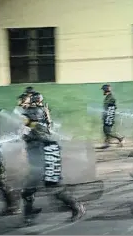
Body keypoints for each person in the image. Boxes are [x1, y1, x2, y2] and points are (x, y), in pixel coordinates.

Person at [20, 94, 85, 225]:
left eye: (27, 119)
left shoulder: (38, 130)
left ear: (33, 118)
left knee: (55, 189)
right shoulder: (36, 128)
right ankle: (29, 215)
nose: (24, 120)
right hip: (37, 165)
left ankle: (77, 207)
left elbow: (40, 140)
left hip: (45, 163)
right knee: (28, 191)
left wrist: (27, 136)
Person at [100, 84, 124, 149]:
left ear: (106, 90)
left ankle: (119, 138)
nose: (103, 91)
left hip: (109, 117)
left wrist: (108, 117)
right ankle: (107, 143)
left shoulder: (111, 98)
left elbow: (111, 108)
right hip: (107, 117)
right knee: (105, 131)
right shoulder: (108, 97)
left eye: (103, 90)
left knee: (107, 132)